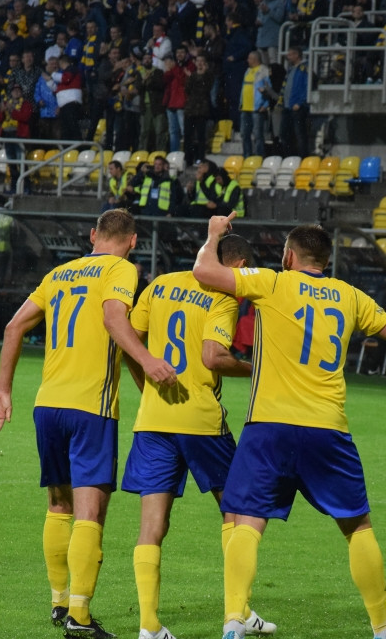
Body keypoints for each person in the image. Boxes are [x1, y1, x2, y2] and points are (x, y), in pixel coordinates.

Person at [190, 214, 386, 639]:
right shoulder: (349, 296)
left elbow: (205, 271)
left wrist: (215, 233)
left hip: (269, 427)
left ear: (289, 255)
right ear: (324, 260)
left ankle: (234, 620)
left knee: (248, 522)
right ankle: (382, 628)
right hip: (327, 428)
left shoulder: (272, 282)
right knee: (356, 526)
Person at [0, 209, 177, 639]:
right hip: (92, 407)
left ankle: (58, 600)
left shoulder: (60, 273)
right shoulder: (121, 269)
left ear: (92, 235)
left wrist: (3, 390)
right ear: (132, 242)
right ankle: (80, 616)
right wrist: (148, 360)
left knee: (58, 505)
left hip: (47, 405)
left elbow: (14, 327)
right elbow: (114, 320)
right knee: (91, 513)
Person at [123, 234, 275, 639]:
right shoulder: (222, 296)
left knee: (151, 526)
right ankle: (236, 614)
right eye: (245, 270)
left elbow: (128, 343)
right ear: (237, 263)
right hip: (201, 422)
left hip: (153, 420)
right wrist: (258, 368)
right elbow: (213, 357)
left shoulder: (160, 285)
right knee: (238, 511)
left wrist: (146, 385)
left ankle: (149, 627)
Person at [239, 51, 272, 158]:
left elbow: (268, 89)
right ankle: (247, 155)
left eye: (249, 58)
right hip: (245, 108)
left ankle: (259, 156)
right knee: (244, 134)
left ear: (255, 59)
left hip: (257, 108)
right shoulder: (247, 71)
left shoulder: (264, 71)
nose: (247, 60)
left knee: (258, 134)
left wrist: (266, 104)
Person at [280, 47, 309, 158]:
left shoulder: (304, 68)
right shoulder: (291, 69)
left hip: (297, 107)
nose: (288, 57)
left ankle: (302, 158)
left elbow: (306, 87)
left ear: (297, 55)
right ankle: (289, 158)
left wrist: (301, 102)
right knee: (284, 134)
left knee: (300, 135)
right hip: (287, 107)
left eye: (291, 54)